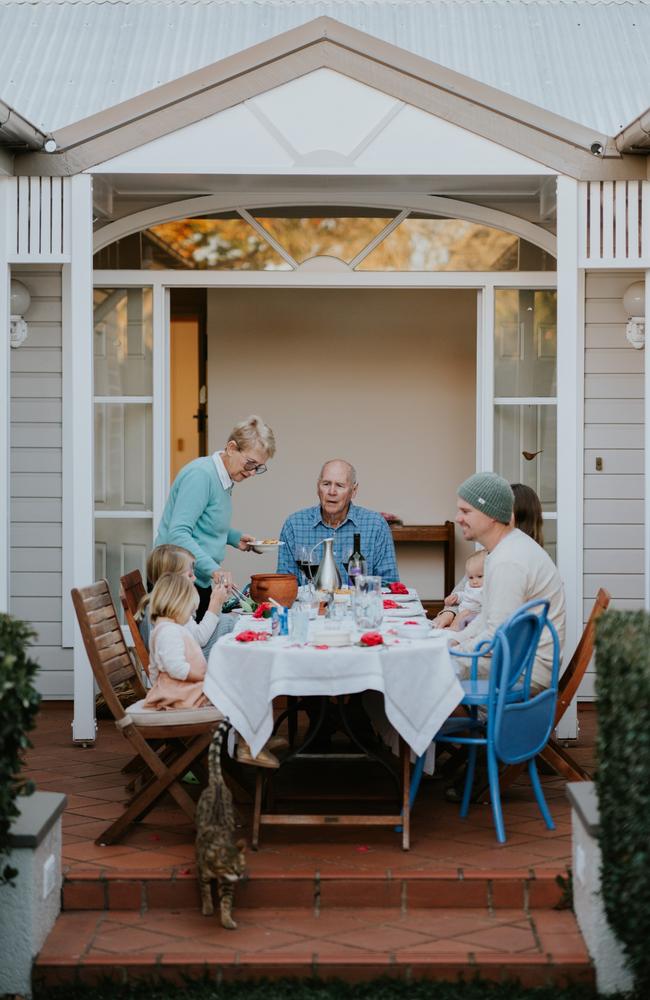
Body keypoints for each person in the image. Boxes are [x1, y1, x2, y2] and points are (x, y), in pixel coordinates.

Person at [144, 573, 279, 768]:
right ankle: (248, 744)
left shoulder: (171, 628)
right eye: (191, 610)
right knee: (238, 690)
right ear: (177, 604)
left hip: (184, 692)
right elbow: (177, 669)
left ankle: (255, 739)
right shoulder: (168, 632)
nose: (192, 615)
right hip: (178, 698)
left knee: (242, 685)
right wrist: (207, 677)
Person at [450, 472, 565, 691]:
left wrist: (454, 651)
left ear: (491, 515)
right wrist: (453, 640)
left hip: (523, 671)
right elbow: (486, 619)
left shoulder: (508, 561)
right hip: (516, 660)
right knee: (423, 666)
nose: (458, 517)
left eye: (466, 511)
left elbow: (495, 637)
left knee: (418, 673)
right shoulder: (504, 550)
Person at [155, 415, 276, 620]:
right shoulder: (201, 476)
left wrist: (234, 537)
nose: (252, 472)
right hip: (175, 584)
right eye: (250, 464)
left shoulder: (223, 478)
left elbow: (204, 522)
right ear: (231, 448)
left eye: (258, 467)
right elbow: (178, 534)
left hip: (192, 579)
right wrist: (215, 570)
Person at [435, 481, 545, 628]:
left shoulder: (519, 563)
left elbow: (498, 626)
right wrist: (449, 613)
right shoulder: (490, 554)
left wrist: (457, 630)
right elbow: (463, 592)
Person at [277, 459, 399, 585]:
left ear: (354, 490)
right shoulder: (294, 525)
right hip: (311, 604)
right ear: (317, 487)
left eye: (340, 485)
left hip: (358, 604)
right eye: (326, 484)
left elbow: (389, 584)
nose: (331, 492)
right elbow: (283, 584)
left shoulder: (376, 525)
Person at [136, 544, 234, 656]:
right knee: (227, 622)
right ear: (172, 579)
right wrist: (215, 604)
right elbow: (199, 639)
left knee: (226, 621)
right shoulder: (170, 607)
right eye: (190, 575)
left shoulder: (160, 601)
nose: (195, 578)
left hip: (183, 655)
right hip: (187, 663)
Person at [449, 549, 486, 631]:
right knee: (460, 616)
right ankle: (452, 628)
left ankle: (454, 629)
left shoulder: (484, 589)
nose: (474, 581)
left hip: (475, 615)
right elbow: (466, 595)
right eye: (471, 577)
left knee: (463, 615)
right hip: (461, 611)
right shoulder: (470, 585)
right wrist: (456, 597)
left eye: (480, 576)